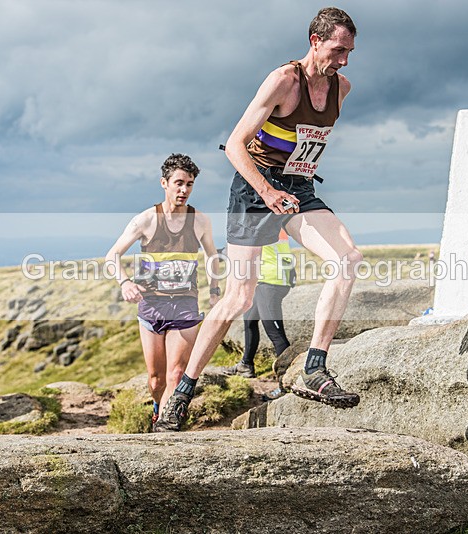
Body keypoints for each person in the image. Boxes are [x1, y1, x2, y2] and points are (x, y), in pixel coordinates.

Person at [156, 7, 362, 432]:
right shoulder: (284, 80)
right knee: (238, 299)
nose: (344, 60)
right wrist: (268, 191)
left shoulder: (342, 87)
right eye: (339, 50)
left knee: (348, 260)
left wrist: (290, 188)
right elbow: (235, 144)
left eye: (349, 52)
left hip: (298, 190)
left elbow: (307, 141)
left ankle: (315, 368)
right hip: (255, 189)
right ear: (315, 40)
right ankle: (181, 395)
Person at [105, 154, 220, 426]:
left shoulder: (200, 220)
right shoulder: (145, 220)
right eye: (178, 183)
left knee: (176, 373)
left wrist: (215, 291)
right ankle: (158, 407)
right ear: (164, 183)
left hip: (185, 305)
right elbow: (112, 255)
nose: (184, 190)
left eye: (190, 184)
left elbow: (212, 257)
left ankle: (165, 425)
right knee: (156, 379)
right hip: (152, 307)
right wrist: (125, 282)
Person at [223, 229, 295, 390]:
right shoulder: (272, 219)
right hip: (267, 279)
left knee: (275, 334)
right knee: (249, 321)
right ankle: (246, 365)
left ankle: (287, 382)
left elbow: (246, 248)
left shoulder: (259, 221)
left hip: (271, 281)